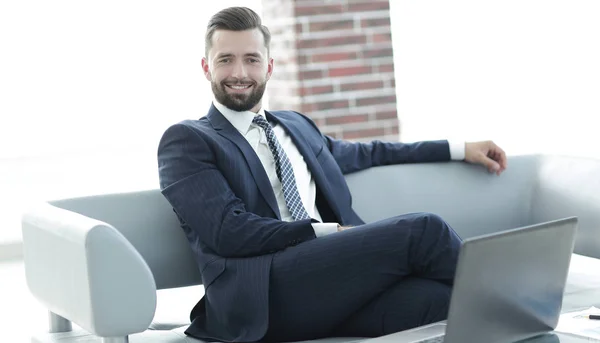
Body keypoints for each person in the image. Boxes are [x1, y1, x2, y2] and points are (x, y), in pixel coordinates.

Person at [157, 6, 507, 343]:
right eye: (225, 60)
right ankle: (518, 301)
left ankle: (520, 320)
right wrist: (324, 232)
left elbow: (369, 152)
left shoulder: (295, 126)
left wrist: (459, 149)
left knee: (440, 301)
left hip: (331, 287)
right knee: (424, 230)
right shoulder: (188, 141)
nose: (240, 73)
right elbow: (228, 231)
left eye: (251, 59)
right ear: (206, 67)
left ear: (269, 67)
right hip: (263, 294)